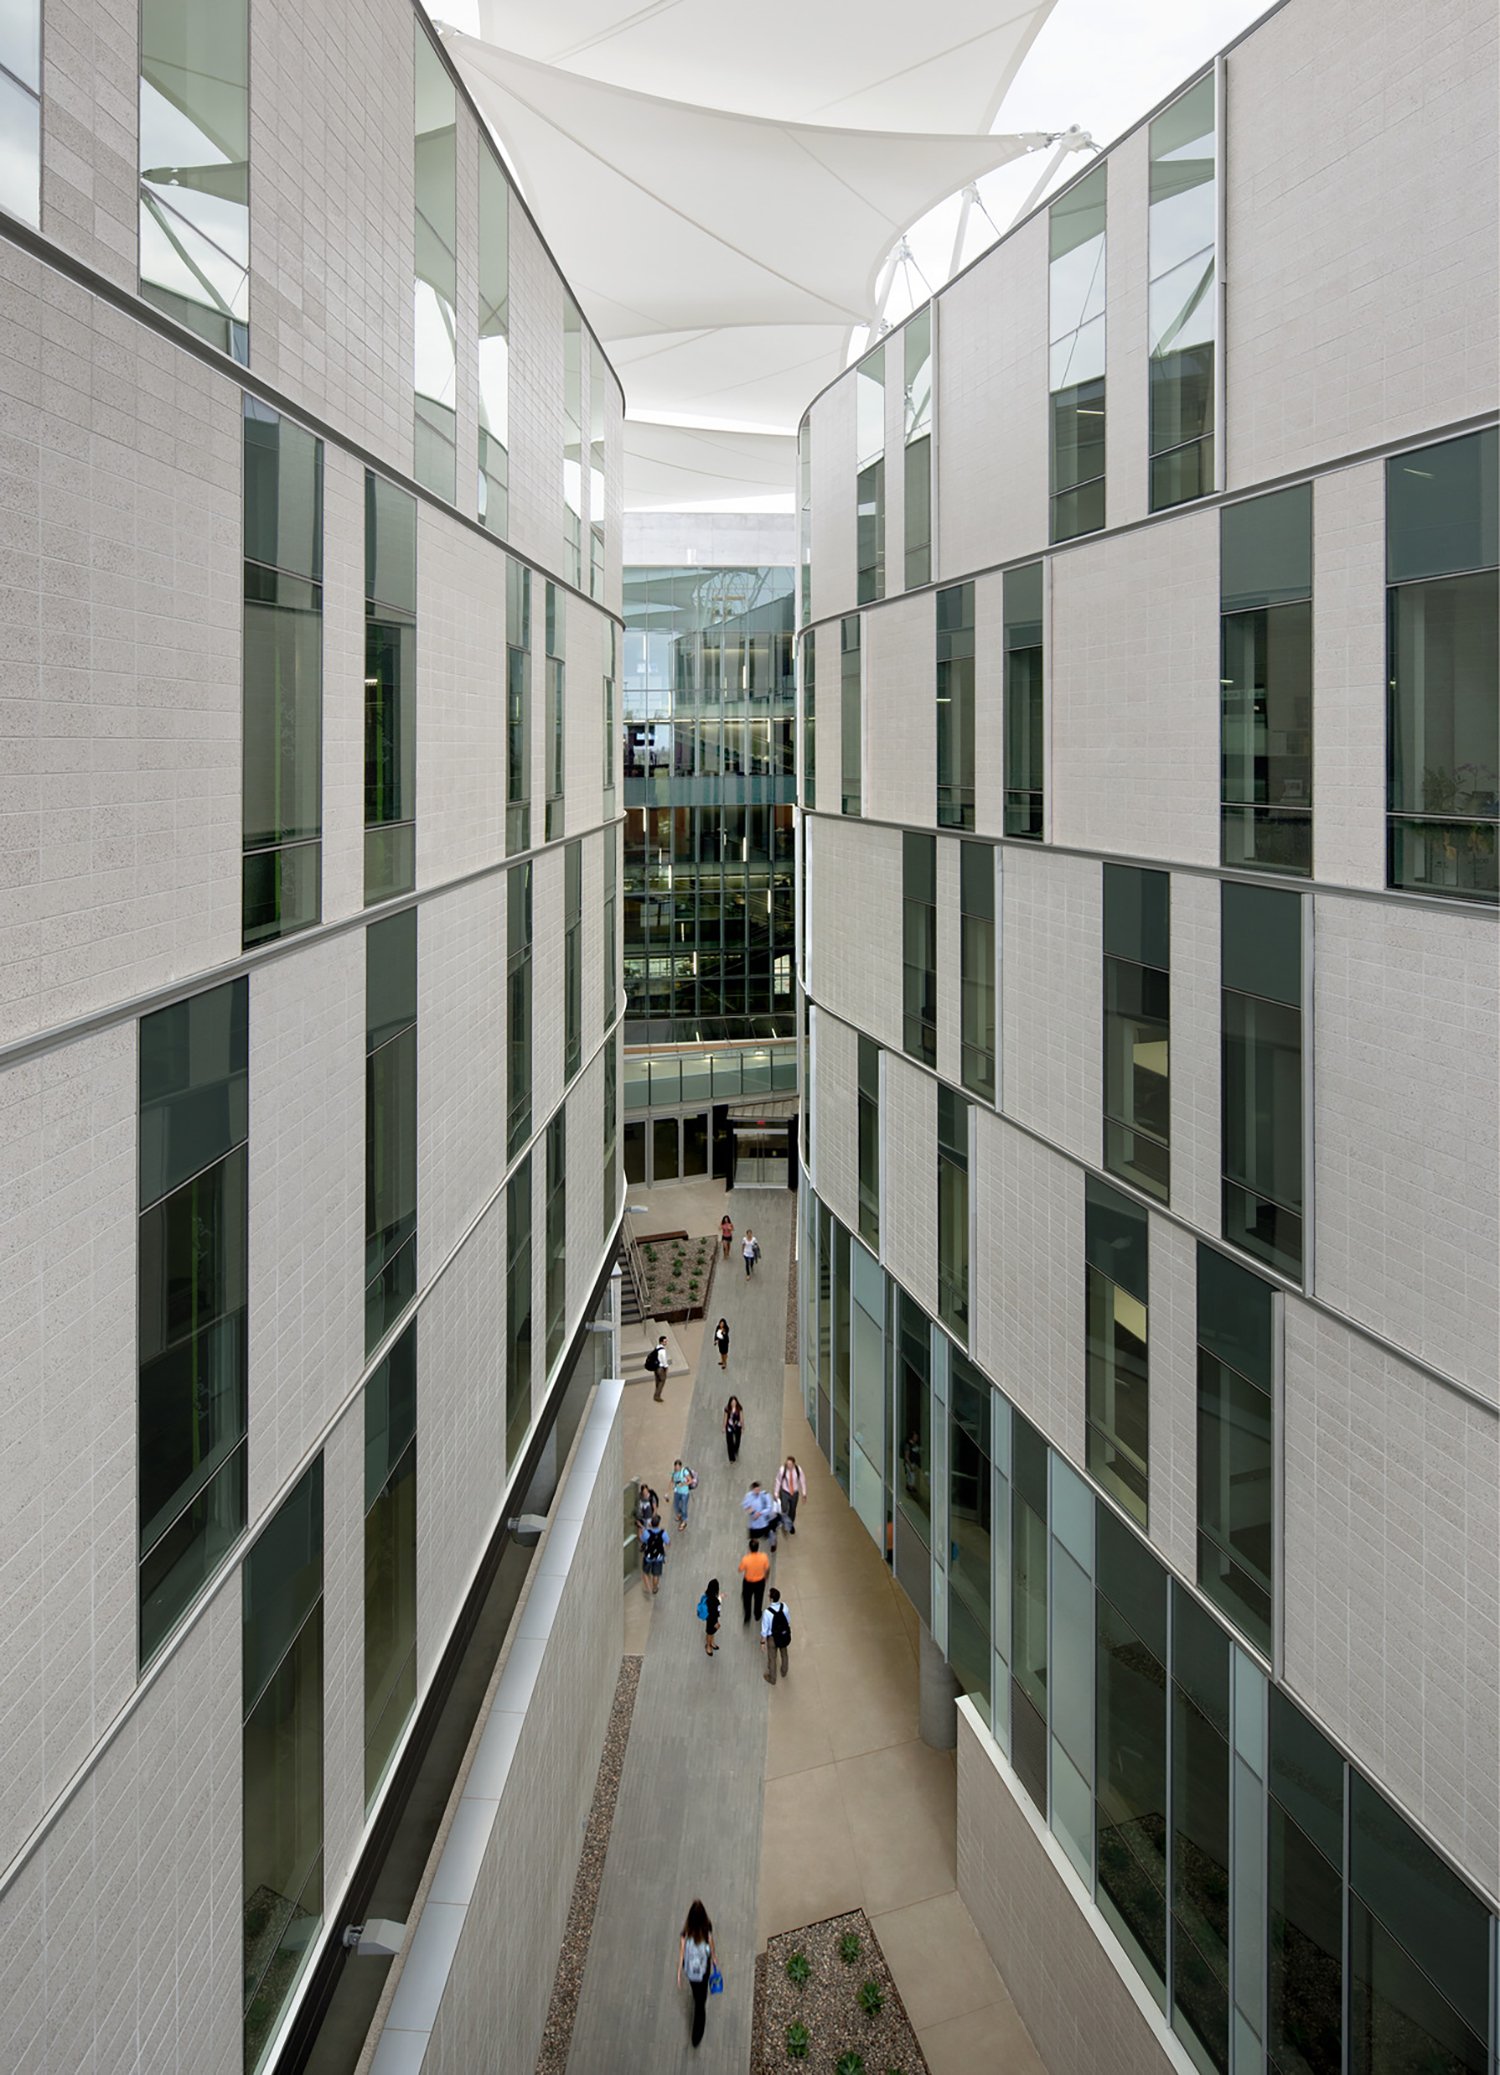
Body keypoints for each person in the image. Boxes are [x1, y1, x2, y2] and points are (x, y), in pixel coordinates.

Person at [677, 1899, 717, 2049]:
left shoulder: (686, 1931)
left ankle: (697, 1999)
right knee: (701, 2001)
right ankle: (697, 2033)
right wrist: (713, 1957)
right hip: (703, 1969)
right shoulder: (707, 1927)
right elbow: (711, 1945)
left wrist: (679, 1972)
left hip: (690, 1971)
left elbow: (682, 1952)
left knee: (696, 1993)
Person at [761, 1587, 792, 1685]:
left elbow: (764, 1630)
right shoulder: (785, 1606)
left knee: (772, 1658)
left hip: (772, 1638)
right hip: (783, 1635)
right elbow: (788, 1621)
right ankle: (784, 1671)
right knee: (784, 1653)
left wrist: (762, 1642)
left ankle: (772, 1678)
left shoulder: (767, 1612)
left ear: (771, 1599)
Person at [738, 1537, 769, 1626]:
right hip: (760, 1582)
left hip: (748, 1582)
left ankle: (747, 1616)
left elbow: (740, 1569)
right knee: (759, 1598)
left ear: (749, 1548)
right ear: (758, 1547)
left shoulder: (746, 1559)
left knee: (747, 1599)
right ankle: (757, 1614)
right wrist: (766, 1578)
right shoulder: (764, 1556)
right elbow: (767, 1568)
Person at [774, 1456, 807, 1536]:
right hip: (785, 1492)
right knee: (784, 1508)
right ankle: (785, 1523)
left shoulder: (798, 1470)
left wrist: (804, 1493)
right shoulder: (782, 1470)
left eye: (790, 1464)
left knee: (792, 1510)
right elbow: (778, 1481)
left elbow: (802, 1481)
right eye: (787, 1463)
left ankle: (790, 1524)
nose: (788, 1465)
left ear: (793, 1464)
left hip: (794, 1493)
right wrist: (776, 1492)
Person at [639, 1511, 669, 1595]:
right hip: (658, 1557)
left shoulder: (646, 1533)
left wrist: (642, 1530)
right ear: (658, 1524)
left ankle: (648, 1588)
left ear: (651, 1523)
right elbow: (668, 1543)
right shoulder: (663, 1533)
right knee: (656, 1574)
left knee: (645, 1572)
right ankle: (654, 1588)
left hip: (648, 1556)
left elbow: (642, 1540)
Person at [698, 1576, 721, 1657]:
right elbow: (713, 1613)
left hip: (710, 1619)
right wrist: (716, 1622)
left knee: (711, 1632)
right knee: (710, 1633)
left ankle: (711, 1643)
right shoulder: (714, 1601)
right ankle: (708, 1645)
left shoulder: (708, 1597)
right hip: (712, 1620)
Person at [672, 1458, 696, 1531]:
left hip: (684, 1493)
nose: (677, 1468)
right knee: (676, 1505)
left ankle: (684, 1520)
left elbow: (691, 1480)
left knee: (684, 1507)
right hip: (677, 1491)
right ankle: (679, 1514)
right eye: (675, 1467)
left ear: (680, 1466)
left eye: (678, 1467)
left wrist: (684, 1484)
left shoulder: (684, 1472)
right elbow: (673, 1480)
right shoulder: (675, 1472)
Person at [647, 1335, 670, 1402]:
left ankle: (657, 1391)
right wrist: (666, 1367)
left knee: (657, 1379)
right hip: (660, 1368)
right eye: (665, 1341)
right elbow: (664, 1360)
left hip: (655, 1366)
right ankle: (657, 1395)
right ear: (661, 1342)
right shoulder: (662, 1351)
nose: (666, 1342)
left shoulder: (657, 1347)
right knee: (662, 1380)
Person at [723, 1395, 743, 1462]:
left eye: (734, 1402)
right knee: (729, 1442)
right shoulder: (727, 1409)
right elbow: (725, 1418)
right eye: (732, 1402)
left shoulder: (739, 1408)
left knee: (738, 1439)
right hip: (730, 1427)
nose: (733, 1404)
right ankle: (731, 1458)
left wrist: (742, 1426)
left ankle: (736, 1449)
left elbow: (741, 1418)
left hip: (737, 1426)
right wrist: (724, 1426)